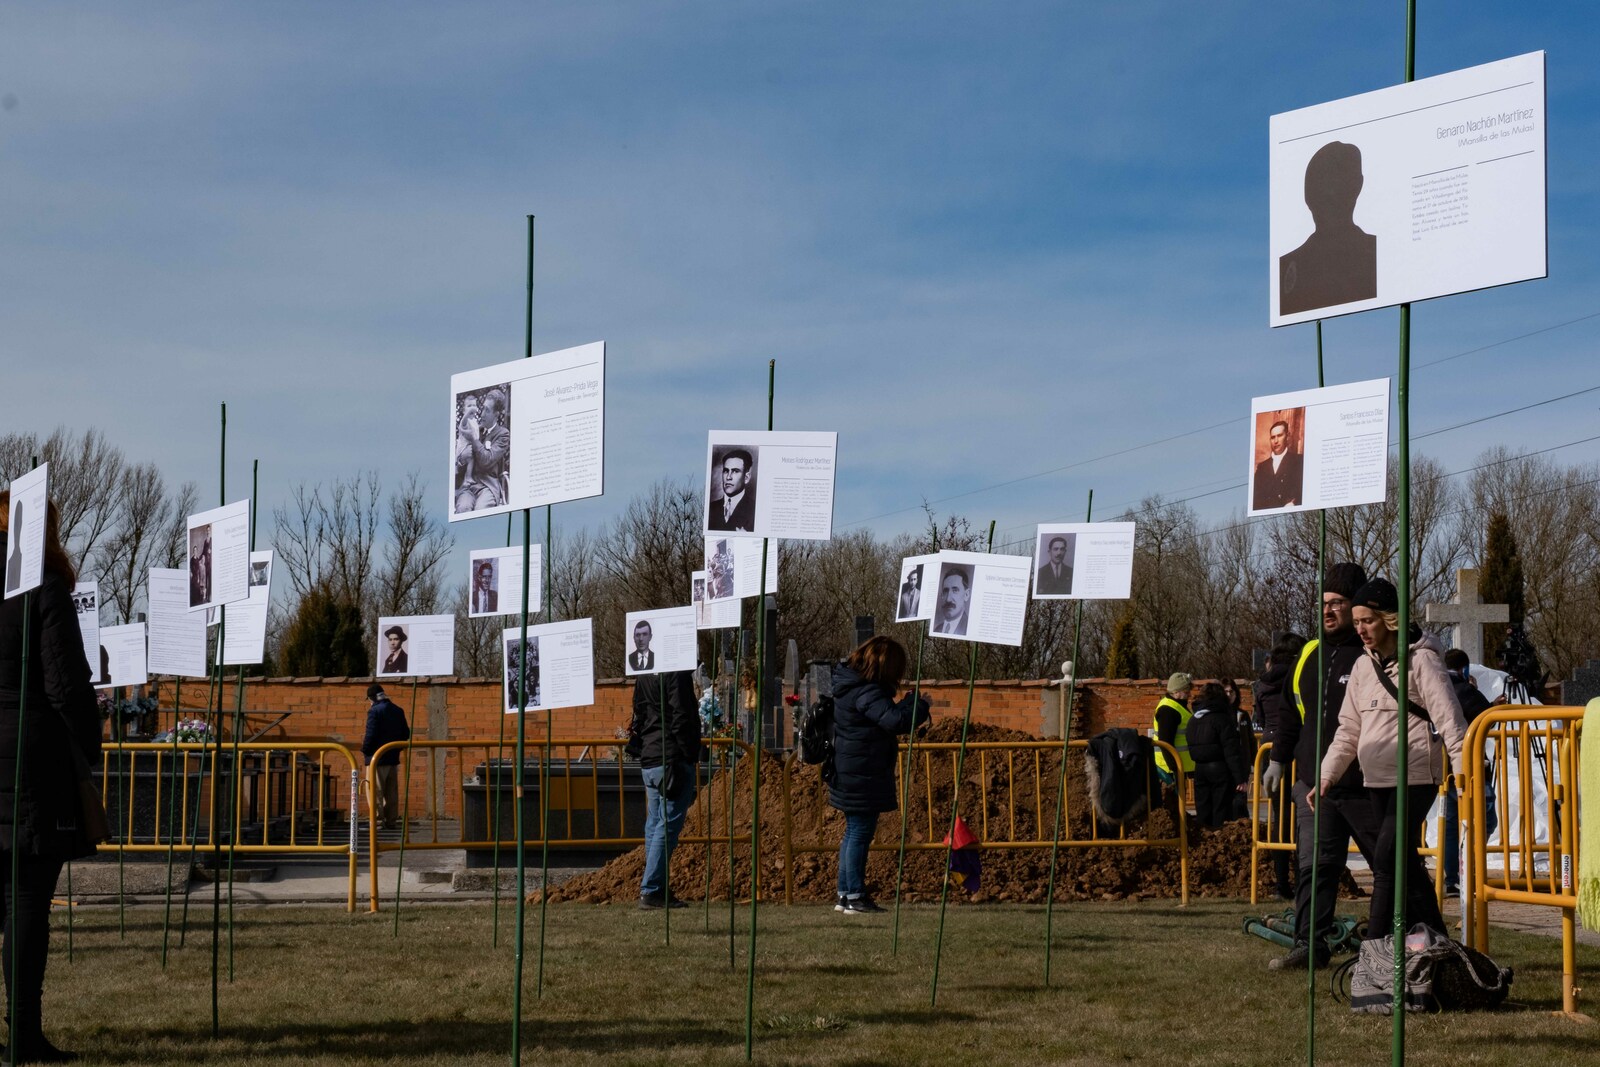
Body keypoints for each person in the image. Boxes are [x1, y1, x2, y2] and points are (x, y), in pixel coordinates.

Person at [0, 492, 102, 1062]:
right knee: (25, 902)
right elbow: (66, 681)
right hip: (29, 763)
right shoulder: (44, 585)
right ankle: (23, 1035)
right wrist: (86, 749)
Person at [1312, 578, 1468, 942]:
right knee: (1405, 864)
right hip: (1376, 780)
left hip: (1414, 777)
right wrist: (1326, 775)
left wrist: (1464, 774)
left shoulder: (1422, 660)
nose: (1361, 629)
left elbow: (1450, 720)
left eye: (1368, 620)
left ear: (1389, 619)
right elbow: (1348, 729)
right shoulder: (1363, 668)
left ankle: (1375, 947)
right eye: (1358, 621)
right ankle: (1437, 940)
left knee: (1385, 861)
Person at [1265, 561, 1381, 970]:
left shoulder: (1372, 651)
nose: (1328, 611)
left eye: (1338, 603)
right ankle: (1309, 945)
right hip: (1317, 786)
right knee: (1315, 867)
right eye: (1324, 603)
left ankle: (1404, 941)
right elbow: (1289, 711)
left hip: (1368, 785)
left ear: (1357, 607)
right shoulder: (1309, 654)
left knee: (1390, 865)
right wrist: (1279, 759)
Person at [828, 636, 929, 913]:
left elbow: (887, 715)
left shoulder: (851, 685)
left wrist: (907, 705)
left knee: (853, 832)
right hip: (863, 771)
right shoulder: (867, 691)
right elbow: (894, 720)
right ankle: (856, 896)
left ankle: (845, 894)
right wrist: (920, 706)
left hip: (851, 768)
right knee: (860, 832)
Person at [626, 669, 701, 908]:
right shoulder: (676, 674)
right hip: (671, 757)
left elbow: (640, 711)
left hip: (651, 755)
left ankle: (655, 887)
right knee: (667, 825)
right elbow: (682, 715)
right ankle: (652, 889)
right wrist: (689, 752)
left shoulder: (645, 675)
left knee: (655, 824)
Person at [1278, 140, 1377, 316]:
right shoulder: (1287, 266)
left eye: (1336, 183)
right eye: (1321, 184)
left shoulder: (1376, 253)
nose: (1329, 194)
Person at [1440, 648, 1495, 897]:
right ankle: (1470, 874)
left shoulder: (1437, 686)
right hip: (1468, 768)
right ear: (1464, 668)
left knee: (1452, 825)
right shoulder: (1462, 689)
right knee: (1486, 819)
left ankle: (1453, 879)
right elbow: (1485, 714)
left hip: (1445, 769)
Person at [1256, 633, 1307, 900]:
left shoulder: (1262, 683)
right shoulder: (1301, 674)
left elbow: (1261, 717)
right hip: (1296, 745)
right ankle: (1301, 881)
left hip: (1269, 747)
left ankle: (1280, 884)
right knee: (1303, 815)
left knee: (1278, 815)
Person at [1184, 682, 1249, 828]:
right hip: (1220, 769)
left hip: (1199, 769)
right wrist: (1240, 778)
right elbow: (1231, 750)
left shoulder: (1193, 719)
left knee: (1203, 809)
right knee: (1220, 810)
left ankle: (1204, 842)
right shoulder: (1222, 719)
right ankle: (1217, 838)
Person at [361, 684, 411, 831]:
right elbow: (405, 734)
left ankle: (376, 822)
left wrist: (366, 751)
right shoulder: (398, 710)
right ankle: (391, 821)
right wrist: (396, 749)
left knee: (375, 791)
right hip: (393, 757)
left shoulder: (374, 711)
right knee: (391, 792)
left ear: (371, 698)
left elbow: (370, 734)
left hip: (377, 757)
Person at [455, 389, 510, 513]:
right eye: (483, 408)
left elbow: (487, 460)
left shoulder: (503, 435)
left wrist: (474, 440)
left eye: (487, 410)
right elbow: (461, 456)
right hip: (468, 487)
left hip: (488, 487)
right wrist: (462, 459)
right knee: (463, 509)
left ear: (496, 414)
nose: (482, 414)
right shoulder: (475, 429)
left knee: (481, 509)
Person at [1151, 673, 1194, 787]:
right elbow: (1165, 742)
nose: (1189, 694)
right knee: (1172, 803)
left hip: (1177, 767)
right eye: (1186, 691)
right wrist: (1175, 768)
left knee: (1178, 803)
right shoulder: (1168, 710)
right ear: (1176, 692)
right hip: (1169, 770)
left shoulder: (1177, 705)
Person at [1251, 420, 1304, 510]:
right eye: (1272, 437)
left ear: (1287, 437)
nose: (1276, 441)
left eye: (1279, 436)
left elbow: (1303, 491)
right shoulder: (1262, 467)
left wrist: (1294, 503)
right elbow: (1255, 498)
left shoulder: (1298, 461)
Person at [707, 449, 757, 532]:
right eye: (726, 471)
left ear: (746, 478)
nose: (728, 477)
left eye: (735, 471)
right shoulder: (711, 508)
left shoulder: (755, 510)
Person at [932, 567, 972, 636]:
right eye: (945, 591)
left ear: (966, 595)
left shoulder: (970, 629)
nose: (948, 599)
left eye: (955, 590)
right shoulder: (937, 630)